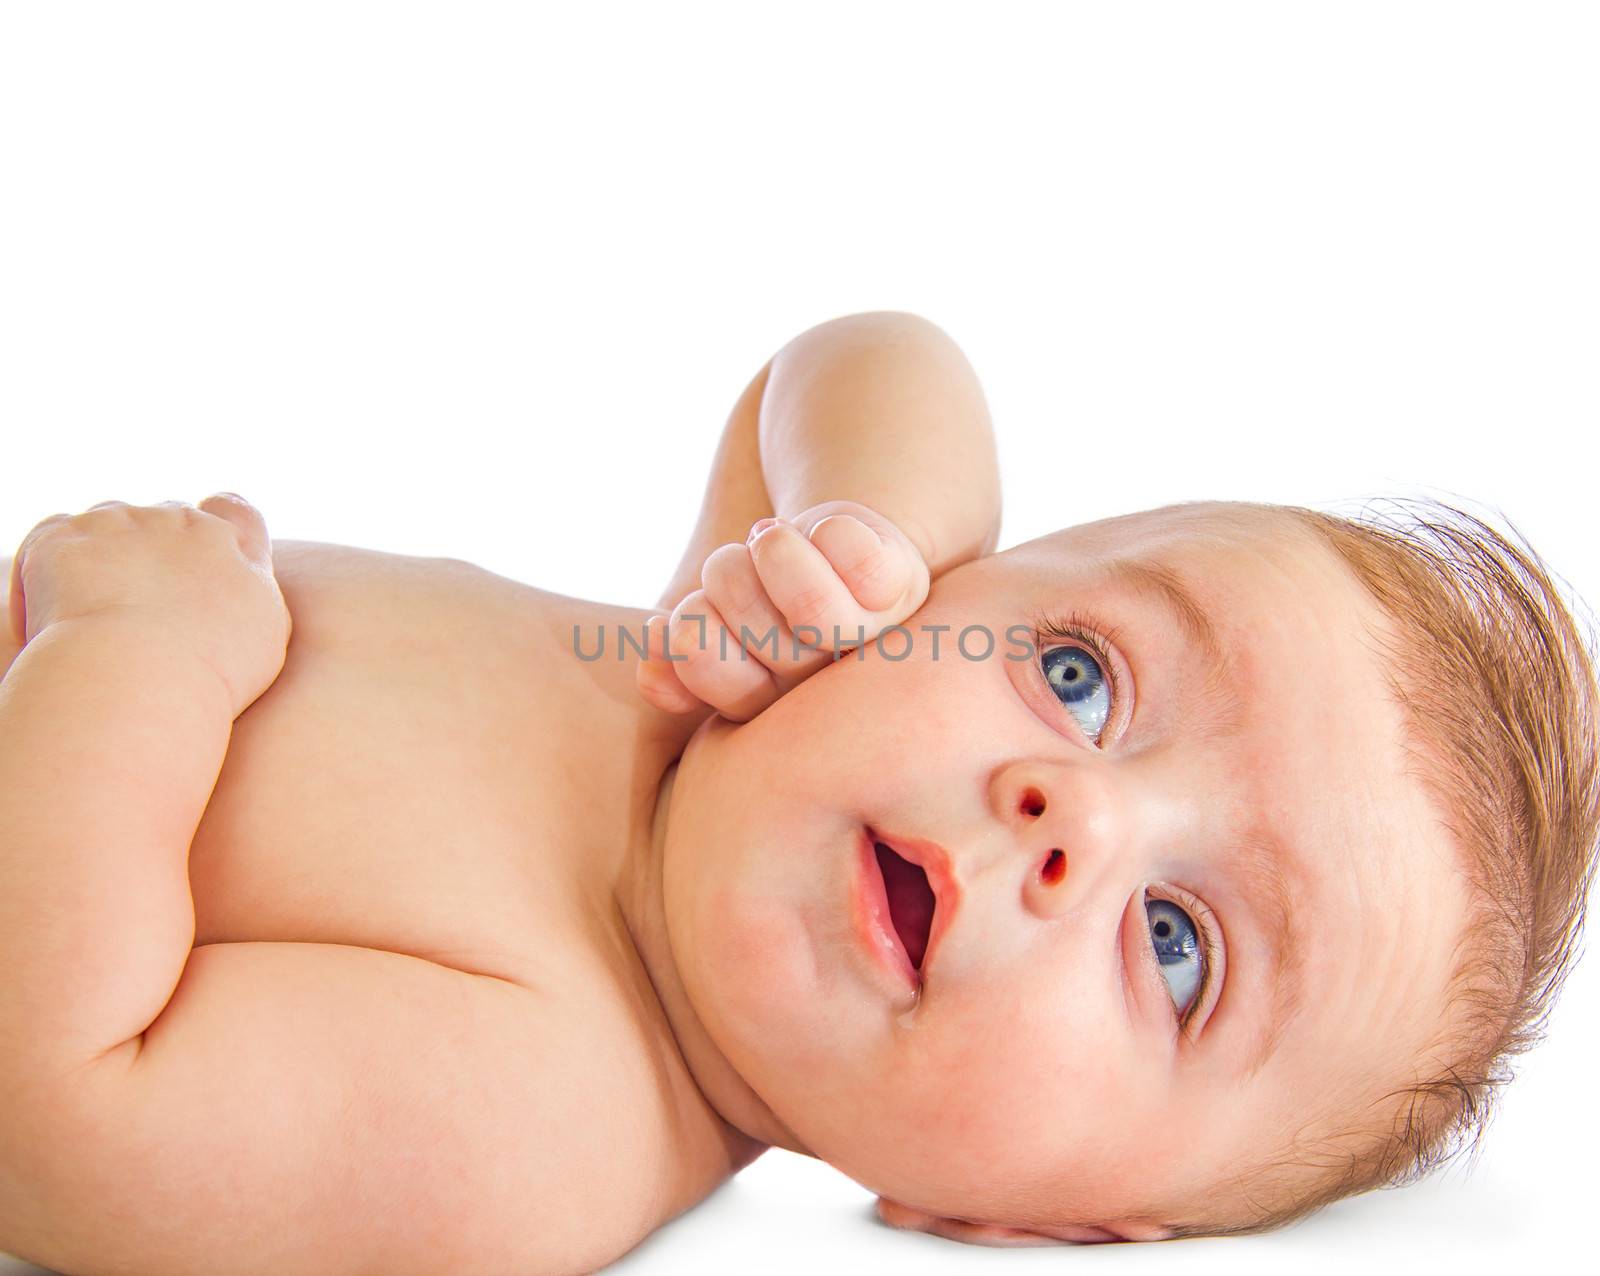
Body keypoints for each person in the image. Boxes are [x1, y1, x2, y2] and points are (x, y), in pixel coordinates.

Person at [1, 312, 1594, 1273]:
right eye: (1081, 676)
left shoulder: (539, 1110)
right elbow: (861, 352)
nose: (1073, 816)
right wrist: (873, 529)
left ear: (1046, 1226)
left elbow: (51, 1107)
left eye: (1177, 947)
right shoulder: (720, 672)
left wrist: (132, 656)